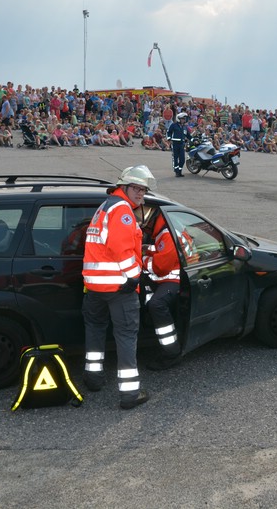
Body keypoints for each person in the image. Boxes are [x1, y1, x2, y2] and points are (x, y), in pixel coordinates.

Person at [82, 165, 154, 409]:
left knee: (94, 331)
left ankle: (93, 378)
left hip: (94, 287)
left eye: (143, 190)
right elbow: (120, 249)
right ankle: (129, 394)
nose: (140, 194)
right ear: (123, 186)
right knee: (125, 337)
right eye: (136, 188)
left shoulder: (105, 207)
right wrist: (135, 277)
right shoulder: (122, 210)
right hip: (118, 287)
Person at [140, 205, 188, 371]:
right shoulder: (165, 229)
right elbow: (161, 252)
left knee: (156, 305)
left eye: (144, 225)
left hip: (175, 281)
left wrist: (143, 259)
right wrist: (147, 250)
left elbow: (161, 267)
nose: (143, 229)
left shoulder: (167, 234)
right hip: (170, 278)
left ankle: (171, 353)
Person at [167, 111, 189, 176]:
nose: (184, 120)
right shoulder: (174, 125)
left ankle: (180, 170)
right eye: (182, 119)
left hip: (181, 144)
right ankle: (177, 172)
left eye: (184, 119)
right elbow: (169, 132)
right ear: (178, 119)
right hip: (175, 143)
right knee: (175, 158)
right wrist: (169, 139)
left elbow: (188, 135)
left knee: (182, 159)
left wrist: (193, 139)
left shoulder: (184, 127)